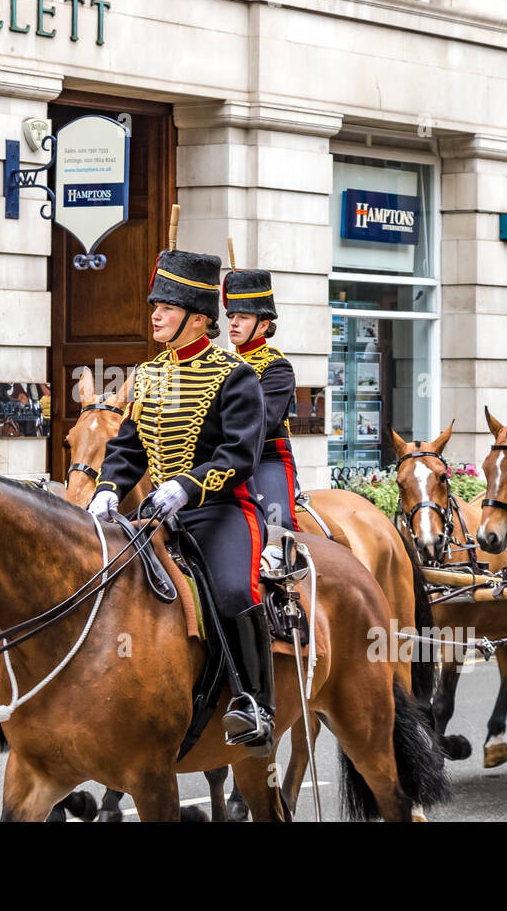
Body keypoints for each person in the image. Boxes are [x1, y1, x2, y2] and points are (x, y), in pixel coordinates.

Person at [88, 248, 275, 753]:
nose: (154, 315)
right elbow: (127, 446)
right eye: (155, 306)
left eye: (165, 308)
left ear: (196, 318)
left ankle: (254, 702)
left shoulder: (235, 376)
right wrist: (107, 489)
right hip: (154, 513)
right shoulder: (147, 375)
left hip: (220, 509)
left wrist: (187, 486)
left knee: (236, 591)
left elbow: (240, 454)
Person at [223, 267, 300, 531]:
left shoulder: (277, 367)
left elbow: (262, 420)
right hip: (222, 457)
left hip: (265, 457)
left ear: (264, 325)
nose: (233, 323)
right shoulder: (221, 363)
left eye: (242, 317)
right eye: (231, 316)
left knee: (278, 523)